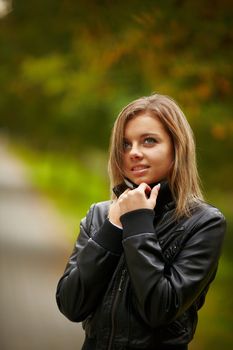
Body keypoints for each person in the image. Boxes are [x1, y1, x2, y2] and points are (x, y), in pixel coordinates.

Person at [56, 94, 226, 350]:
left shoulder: (204, 223)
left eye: (149, 141)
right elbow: (71, 304)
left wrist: (137, 222)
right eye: (125, 144)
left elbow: (159, 309)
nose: (134, 152)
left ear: (176, 147)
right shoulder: (100, 215)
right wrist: (112, 229)